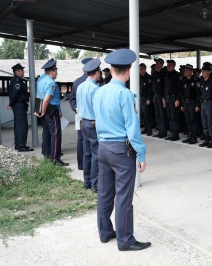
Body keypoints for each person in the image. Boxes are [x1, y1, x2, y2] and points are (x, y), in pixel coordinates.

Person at [93, 48, 150, 251]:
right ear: (128, 71)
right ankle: (125, 240)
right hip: (120, 151)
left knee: (105, 193)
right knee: (124, 197)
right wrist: (141, 154)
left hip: (103, 148)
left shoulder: (99, 92)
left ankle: (105, 232)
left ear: (110, 69)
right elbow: (132, 130)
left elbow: (97, 119)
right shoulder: (124, 95)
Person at [36, 59, 69, 166]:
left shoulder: (41, 79)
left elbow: (38, 95)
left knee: (46, 133)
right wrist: (45, 111)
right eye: (56, 71)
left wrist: (38, 110)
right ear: (52, 71)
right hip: (50, 110)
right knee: (55, 134)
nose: (57, 73)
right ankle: (55, 158)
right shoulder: (51, 83)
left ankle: (47, 154)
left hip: (42, 108)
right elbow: (47, 99)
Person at [76, 59, 101, 192]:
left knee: (86, 153)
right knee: (96, 153)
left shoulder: (80, 86)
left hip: (83, 122)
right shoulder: (95, 89)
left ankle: (86, 181)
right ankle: (95, 182)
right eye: (99, 72)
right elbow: (98, 109)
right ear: (96, 73)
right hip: (92, 123)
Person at [70, 58, 92, 170]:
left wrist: (76, 108)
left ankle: (81, 165)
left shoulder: (76, 82)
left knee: (81, 139)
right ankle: (90, 165)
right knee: (91, 140)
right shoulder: (95, 82)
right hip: (91, 117)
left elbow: (72, 99)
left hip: (80, 115)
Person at [7, 63, 33, 152]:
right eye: (22, 70)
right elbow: (14, 94)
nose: (24, 72)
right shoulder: (17, 82)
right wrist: (11, 104)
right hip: (19, 106)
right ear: (18, 71)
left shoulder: (16, 80)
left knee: (19, 126)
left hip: (18, 106)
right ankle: (21, 145)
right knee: (22, 126)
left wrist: (11, 104)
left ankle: (19, 145)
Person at [198, 62, 212, 148]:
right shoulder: (202, 82)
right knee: (204, 122)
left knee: (211, 122)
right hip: (203, 103)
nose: (203, 72)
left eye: (204, 71)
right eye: (202, 71)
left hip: (210, 103)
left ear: (209, 72)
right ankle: (206, 139)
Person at [180, 64, 200, 144]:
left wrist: (197, 105)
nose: (186, 72)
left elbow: (198, 94)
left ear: (191, 71)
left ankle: (194, 137)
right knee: (188, 120)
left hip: (193, 102)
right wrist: (182, 104)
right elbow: (182, 93)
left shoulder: (195, 81)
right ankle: (189, 135)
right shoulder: (184, 81)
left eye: (187, 70)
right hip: (186, 103)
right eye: (185, 70)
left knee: (193, 120)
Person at [163, 59, 182, 141]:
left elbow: (180, 89)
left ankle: (176, 134)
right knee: (169, 117)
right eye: (167, 65)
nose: (168, 66)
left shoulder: (177, 75)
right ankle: (171, 133)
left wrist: (177, 99)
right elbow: (165, 88)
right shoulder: (167, 75)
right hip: (167, 98)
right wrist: (164, 98)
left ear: (174, 66)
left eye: (170, 65)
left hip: (174, 98)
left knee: (174, 117)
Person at [152, 58, 167, 138]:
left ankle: (163, 131)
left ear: (161, 64)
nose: (156, 64)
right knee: (157, 115)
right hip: (156, 95)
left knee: (162, 114)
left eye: (157, 63)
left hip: (161, 95)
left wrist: (164, 97)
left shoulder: (163, 73)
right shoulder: (155, 73)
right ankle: (160, 130)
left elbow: (165, 87)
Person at [139, 63, 153, 136]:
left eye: (141, 69)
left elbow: (150, 90)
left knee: (147, 114)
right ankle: (145, 127)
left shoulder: (148, 77)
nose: (140, 71)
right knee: (141, 114)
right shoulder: (139, 77)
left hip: (146, 98)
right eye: (139, 69)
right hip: (140, 98)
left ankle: (149, 128)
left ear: (145, 69)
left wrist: (149, 99)